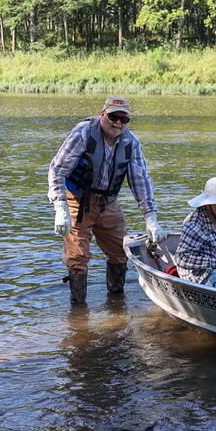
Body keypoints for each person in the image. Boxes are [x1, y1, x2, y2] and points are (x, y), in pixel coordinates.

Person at [47, 96, 163, 305]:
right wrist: (60, 206)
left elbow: (141, 181)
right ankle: (79, 310)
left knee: (121, 252)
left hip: (108, 203)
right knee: (78, 258)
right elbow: (57, 169)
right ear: (103, 114)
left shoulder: (131, 143)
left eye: (123, 119)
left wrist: (151, 217)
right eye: (113, 117)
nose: (118, 123)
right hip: (78, 201)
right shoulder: (83, 133)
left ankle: (116, 302)